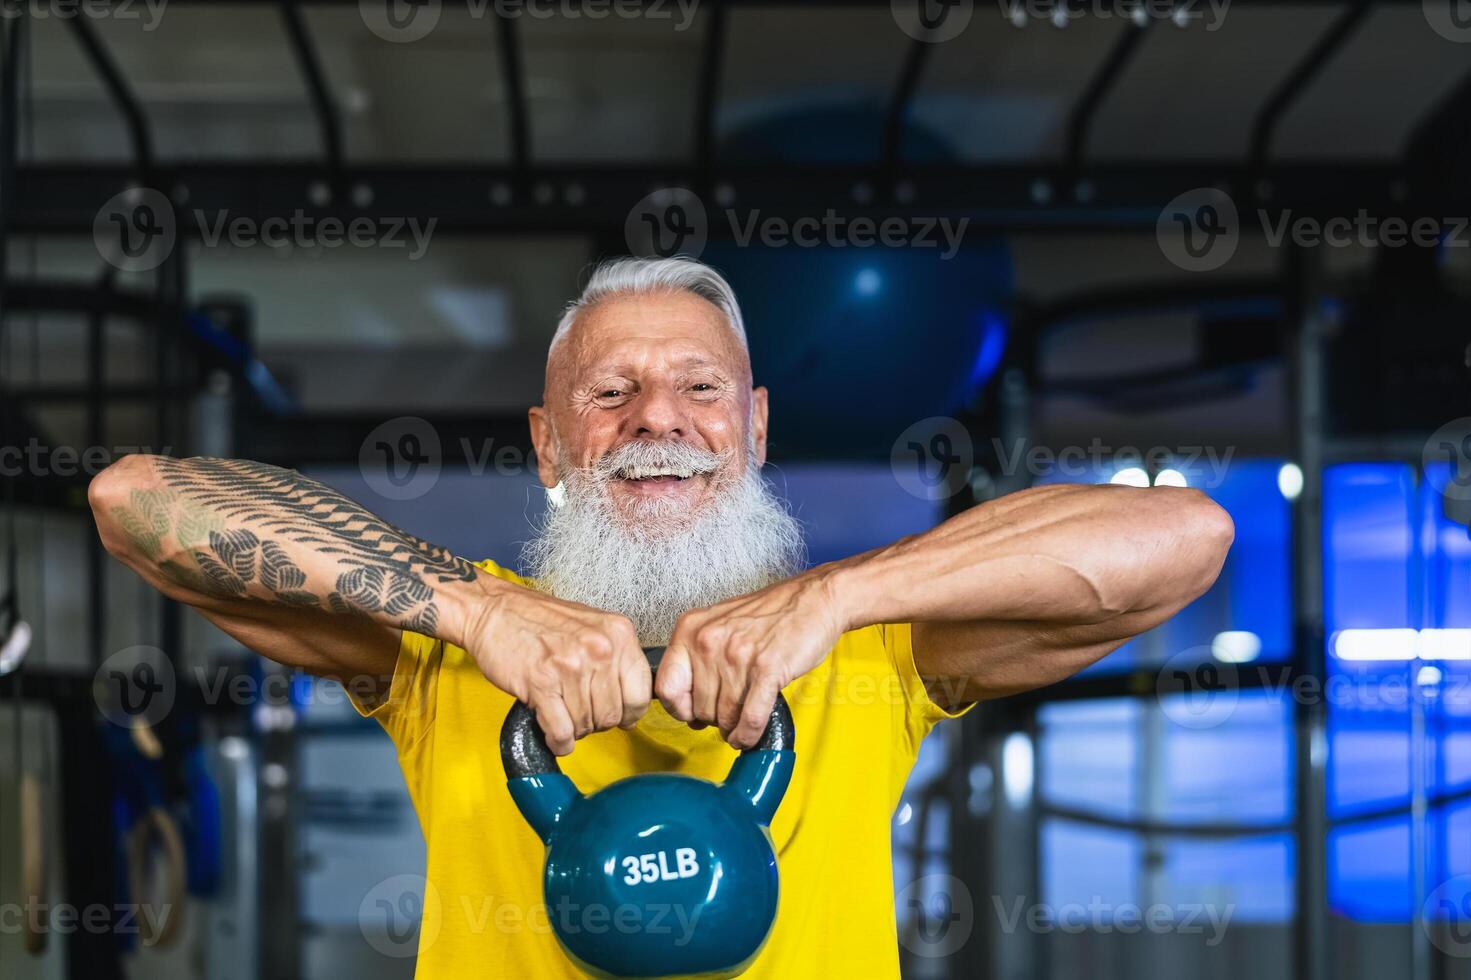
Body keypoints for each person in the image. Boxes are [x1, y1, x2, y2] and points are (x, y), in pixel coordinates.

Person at [89, 256, 1234, 978]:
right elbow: (133, 498)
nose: (659, 420)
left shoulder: (872, 642)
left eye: (700, 387)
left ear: (755, 426)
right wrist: (475, 608)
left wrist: (838, 591)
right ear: (547, 441)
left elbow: (1187, 537)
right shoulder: (444, 647)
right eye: (609, 391)